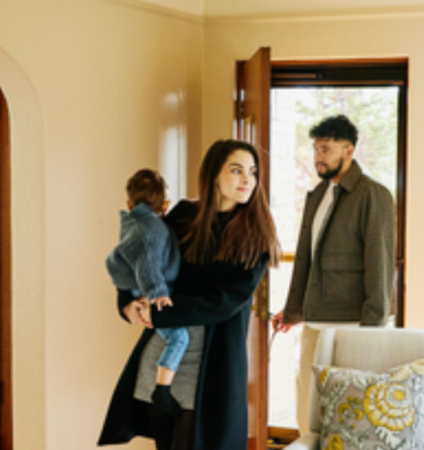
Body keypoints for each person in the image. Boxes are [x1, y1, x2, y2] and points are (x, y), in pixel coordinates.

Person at [99, 140, 280, 450]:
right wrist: (126, 302)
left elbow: (224, 302)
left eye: (252, 172)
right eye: (236, 170)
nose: (247, 179)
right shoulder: (183, 214)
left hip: (213, 363)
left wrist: (158, 312)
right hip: (163, 356)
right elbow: (141, 256)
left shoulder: (257, 236)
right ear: (213, 176)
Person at [271, 114, 396, 435]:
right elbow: (307, 260)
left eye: (326, 149)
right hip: (315, 323)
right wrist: (294, 310)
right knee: (308, 411)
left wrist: (371, 331)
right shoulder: (317, 196)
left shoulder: (373, 195)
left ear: (349, 150)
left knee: (349, 418)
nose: (318, 157)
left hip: (353, 327)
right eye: (315, 149)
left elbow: (380, 267)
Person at [105, 168, 187, 419]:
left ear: (129, 203)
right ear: (166, 205)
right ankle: (162, 389)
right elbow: (148, 265)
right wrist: (157, 293)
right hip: (149, 288)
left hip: (140, 288)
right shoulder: (153, 229)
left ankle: (162, 387)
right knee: (179, 338)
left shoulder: (132, 223)